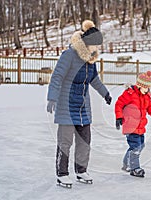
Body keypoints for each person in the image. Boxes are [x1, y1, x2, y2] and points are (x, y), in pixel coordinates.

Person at [46, 20, 112, 187]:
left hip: (83, 108)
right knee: (65, 142)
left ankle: (81, 171)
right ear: (87, 43)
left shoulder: (91, 61)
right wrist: (52, 98)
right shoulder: (69, 55)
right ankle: (62, 174)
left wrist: (106, 94)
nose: (97, 49)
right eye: (95, 45)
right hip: (66, 106)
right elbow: (57, 77)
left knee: (85, 142)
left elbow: (94, 80)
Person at [114, 71, 151, 178]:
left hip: (140, 127)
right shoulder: (129, 94)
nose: (146, 90)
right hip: (130, 126)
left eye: (148, 88)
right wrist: (119, 117)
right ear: (139, 85)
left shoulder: (146, 97)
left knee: (140, 146)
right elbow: (119, 104)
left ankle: (126, 164)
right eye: (145, 88)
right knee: (136, 147)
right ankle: (134, 168)